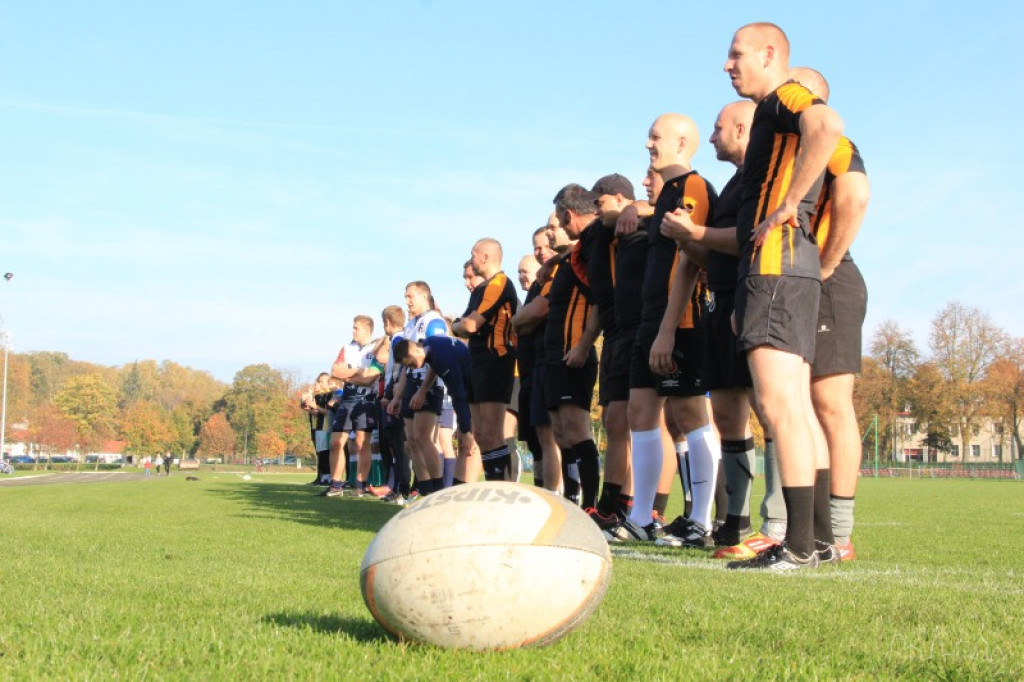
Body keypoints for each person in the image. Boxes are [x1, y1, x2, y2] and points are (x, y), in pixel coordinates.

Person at [723, 22, 844, 571]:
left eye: (737, 55)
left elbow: (826, 124)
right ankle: (814, 539)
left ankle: (795, 545)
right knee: (796, 407)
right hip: (787, 271)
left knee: (779, 408)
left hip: (775, 268)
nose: (728, 65)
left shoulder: (782, 98)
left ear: (770, 55)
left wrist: (789, 202)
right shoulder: (773, 109)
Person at [605, 114, 719, 545]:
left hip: (680, 319)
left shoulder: (693, 187)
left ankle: (701, 521)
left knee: (688, 414)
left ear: (682, 142)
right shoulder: (669, 191)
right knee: (640, 412)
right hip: (648, 320)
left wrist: (669, 328)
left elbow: (692, 254)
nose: (648, 144)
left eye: (655, 137)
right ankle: (640, 518)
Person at [659, 100, 764, 555]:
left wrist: (695, 235)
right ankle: (733, 520)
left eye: (719, 129)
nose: (714, 137)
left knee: (772, 411)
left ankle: (779, 520)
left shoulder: (760, 180)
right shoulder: (733, 185)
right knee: (727, 416)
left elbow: (750, 240)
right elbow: (711, 256)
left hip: (754, 300)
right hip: (721, 305)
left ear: (741, 129)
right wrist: (690, 241)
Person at [791, 66, 871, 562]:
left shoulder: (833, 139)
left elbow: (856, 196)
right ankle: (807, 529)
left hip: (830, 280)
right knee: (795, 403)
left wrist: (826, 265)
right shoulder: (789, 150)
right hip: (798, 279)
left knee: (829, 404)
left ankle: (837, 534)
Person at [544, 184, 602, 508]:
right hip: (555, 356)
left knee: (576, 427)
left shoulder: (584, 258)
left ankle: (591, 504)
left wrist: (582, 346)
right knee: (560, 430)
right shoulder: (564, 264)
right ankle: (571, 499)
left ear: (569, 216)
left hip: (573, 352)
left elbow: (599, 301)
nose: (555, 232)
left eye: (557, 225)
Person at [452, 238, 519, 481]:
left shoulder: (499, 283)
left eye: (473, 254)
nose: (471, 259)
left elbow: (470, 324)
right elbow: (465, 324)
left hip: (495, 360)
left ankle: (503, 487)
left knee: (492, 431)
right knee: (480, 432)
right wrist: (459, 325)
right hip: (477, 361)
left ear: (486, 257)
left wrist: (456, 325)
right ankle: (494, 483)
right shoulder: (481, 289)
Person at [388, 282, 448, 495]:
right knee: (412, 441)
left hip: (428, 383)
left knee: (423, 438)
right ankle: (424, 490)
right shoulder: (411, 325)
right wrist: (397, 396)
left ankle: (438, 490)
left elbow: (438, 359)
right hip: (411, 383)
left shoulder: (434, 321)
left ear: (424, 296)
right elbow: (406, 364)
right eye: (405, 296)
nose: (407, 301)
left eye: (410, 296)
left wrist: (423, 390)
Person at [324, 315, 385, 497]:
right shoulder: (346, 348)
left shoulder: (376, 348)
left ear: (366, 329)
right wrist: (357, 372)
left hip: (366, 400)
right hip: (347, 400)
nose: (353, 331)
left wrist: (347, 374)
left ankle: (360, 483)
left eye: (356, 328)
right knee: (336, 442)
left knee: (361, 443)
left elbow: (369, 379)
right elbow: (335, 371)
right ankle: (336, 484)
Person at [394, 337, 478, 465]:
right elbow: (434, 365)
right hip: (470, 383)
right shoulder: (428, 344)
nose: (413, 368)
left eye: (411, 364)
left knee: (470, 443)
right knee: (464, 443)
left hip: (476, 386)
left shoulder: (442, 359)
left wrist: (466, 431)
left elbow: (458, 394)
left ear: (415, 351)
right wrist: (422, 390)